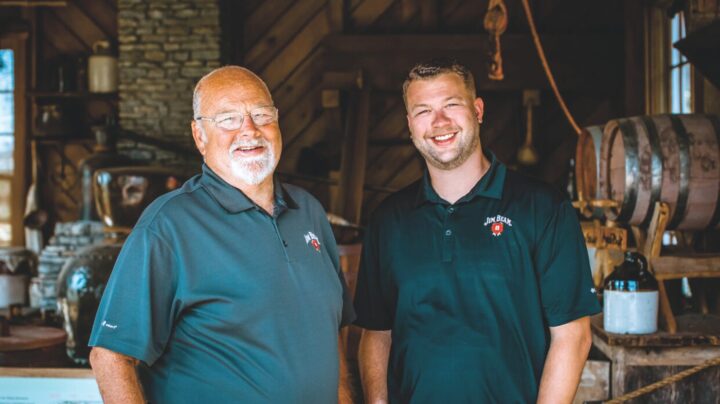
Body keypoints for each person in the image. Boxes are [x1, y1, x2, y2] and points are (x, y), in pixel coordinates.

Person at [88, 66, 356, 404]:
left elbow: (333, 334)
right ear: (200, 136)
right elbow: (111, 357)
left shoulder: (310, 212)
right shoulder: (168, 226)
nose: (250, 130)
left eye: (261, 115)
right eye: (228, 119)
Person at [353, 58, 601, 403]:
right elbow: (376, 333)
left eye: (451, 105)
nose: (439, 122)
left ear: (478, 110)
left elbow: (573, 336)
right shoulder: (388, 220)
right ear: (410, 125)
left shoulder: (543, 208)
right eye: (423, 111)